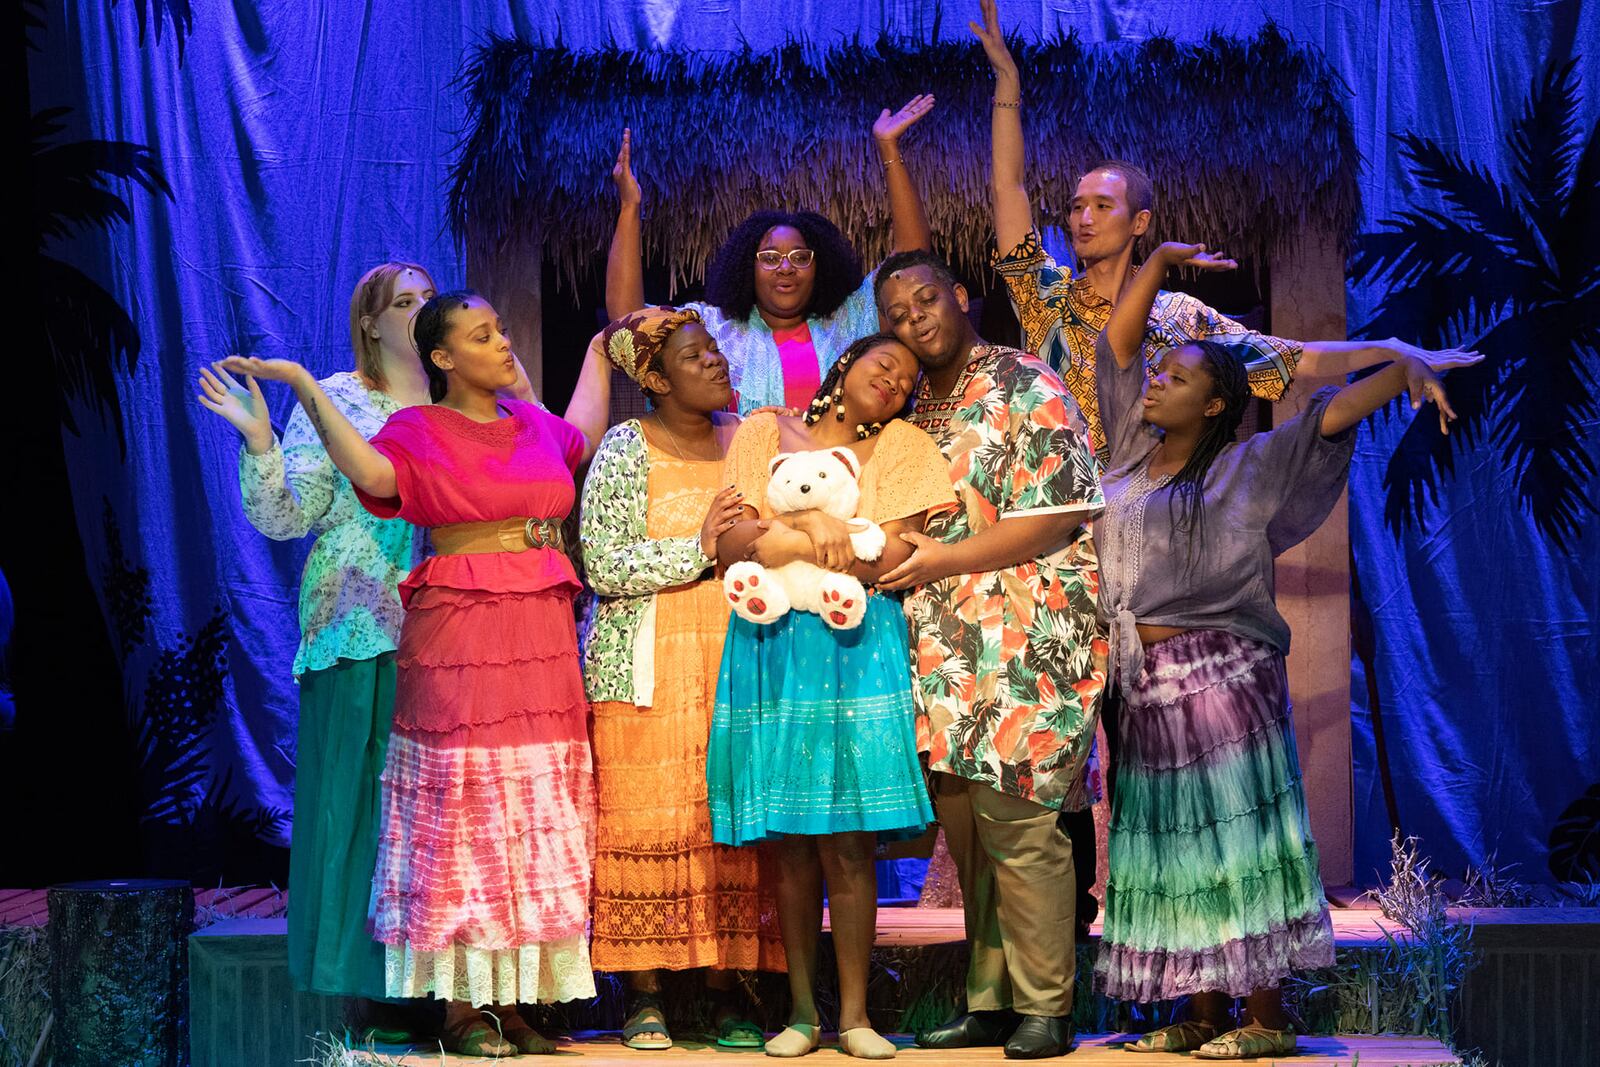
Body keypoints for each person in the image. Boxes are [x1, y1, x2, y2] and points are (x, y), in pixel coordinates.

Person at [1091, 240, 1464, 1059]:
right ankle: (1197, 1009)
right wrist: (1150, 262)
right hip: (1143, 686)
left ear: (1218, 404)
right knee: (1177, 847)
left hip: (1224, 674)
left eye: (1178, 377)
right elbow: (1116, 348)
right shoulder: (1124, 460)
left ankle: (1265, 1015)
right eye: (1159, 372)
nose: (1156, 380)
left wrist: (1401, 364)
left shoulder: (1252, 465)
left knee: (1240, 842)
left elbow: (1329, 414)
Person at [221, 290, 596, 1057]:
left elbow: (581, 437)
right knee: (467, 810)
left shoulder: (531, 423)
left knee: (531, 806)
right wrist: (302, 385)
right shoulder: (417, 427)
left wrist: (602, 345)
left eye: (500, 331)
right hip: (462, 627)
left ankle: (516, 1003)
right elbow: (372, 474)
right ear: (443, 357)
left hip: (541, 630)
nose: (502, 344)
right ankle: (462, 1008)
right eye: (482, 335)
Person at [872, 251, 1103, 1060]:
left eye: (926, 299)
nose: (915, 320)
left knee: (1023, 822)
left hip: (1028, 631)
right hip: (942, 647)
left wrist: (938, 558)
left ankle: (1047, 1005)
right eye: (897, 314)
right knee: (969, 828)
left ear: (959, 296)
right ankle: (991, 1000)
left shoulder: (1023, 379)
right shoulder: (907, 411)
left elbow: (1059, 514)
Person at [196, 262, 434, 1037]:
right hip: (360, 618)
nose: (421, 311)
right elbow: (286, 516)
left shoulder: (463, 399)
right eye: (405, 301)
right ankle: (374, 986)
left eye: (431, 298)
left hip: (453, 626)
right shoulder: (339, 398)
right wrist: (263, 441)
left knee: (441, 806)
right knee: (361, 806)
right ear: (370, 322)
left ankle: (450, 985)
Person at [707, 333, 957, 1059]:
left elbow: (894, 549)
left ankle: (855, 1017)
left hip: (855, 642)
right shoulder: (761, 428)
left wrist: (791, 532)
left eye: (908, 379)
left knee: (848, 842)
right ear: (845, 364)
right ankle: (798, 1015)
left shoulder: (907, 444)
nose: (896, 382)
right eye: (884, 364)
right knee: (789, 844)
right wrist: (811, 528)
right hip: (773, 638)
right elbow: (727, 544)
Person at [578, 306, 784, 1050]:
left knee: (728, 818)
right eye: (696, 357)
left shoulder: (752, 443)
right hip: (648, 667)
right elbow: (601, 563)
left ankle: (728, 985)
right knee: (648, 818)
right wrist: (696, 546)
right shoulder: (625, 448)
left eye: (717, 351)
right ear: (657, 380)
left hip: (740, 657)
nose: (717, 364)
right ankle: (646, 991)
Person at [597, 98, 935, 416]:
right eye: (770, 257)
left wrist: (889, 150)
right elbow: (629, 320)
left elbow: (909, 265)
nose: (785, 267)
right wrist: (629, 207)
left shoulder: (849, 320)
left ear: (819, 268)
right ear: (749, 268)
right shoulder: (712, 330)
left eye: (800, 257)